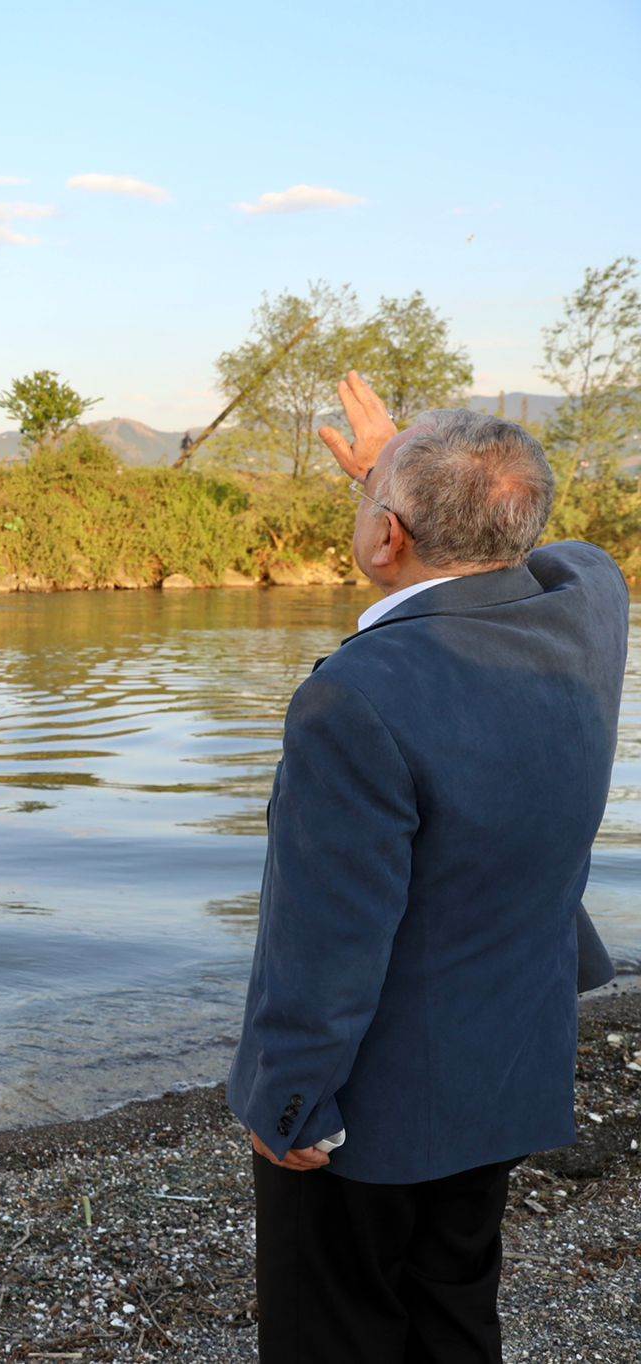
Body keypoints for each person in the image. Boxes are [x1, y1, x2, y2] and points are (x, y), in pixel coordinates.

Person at [228, 371, 623, 1363]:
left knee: (336, 1330)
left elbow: (321, 940)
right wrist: (406, 475)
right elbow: (559, 549)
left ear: (381, 539)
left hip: (375, 1108)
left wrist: (288, 1102)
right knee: (452, 1311)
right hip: (505, 1065)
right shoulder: (588, 611)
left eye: (369, 505)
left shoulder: (353, 698)